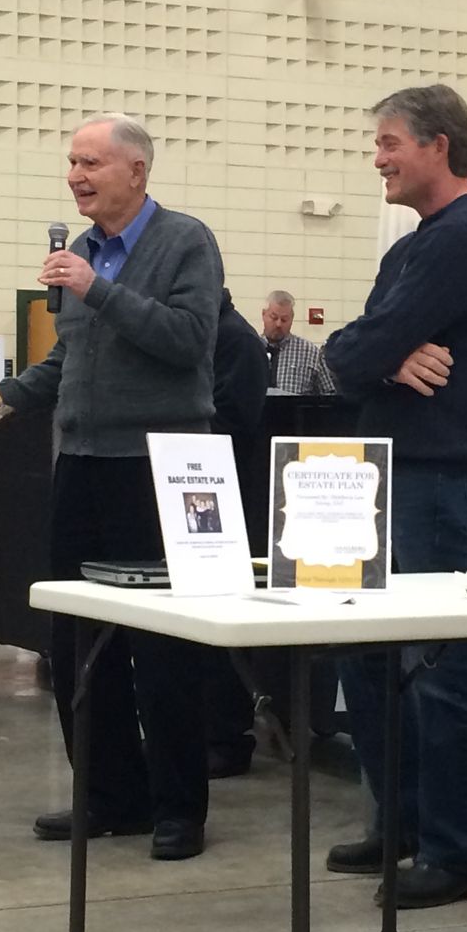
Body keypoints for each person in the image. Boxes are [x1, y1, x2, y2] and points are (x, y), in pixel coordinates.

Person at [0, 114, 222, 861]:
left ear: (136, 170)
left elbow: (186, 341)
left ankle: (179, 809)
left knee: (163, 645)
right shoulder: (81, 253)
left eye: (91, 163)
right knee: (75, 642)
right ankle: (111, 797)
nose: (76, 175)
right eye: (72, 163)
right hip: (82, 462)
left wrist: (97, 290)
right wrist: (5, 392)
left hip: (158, 467)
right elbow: (71, 362)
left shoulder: (184, 242)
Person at [321, 83, 467, 910]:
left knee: (439, 663)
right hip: (392, 473)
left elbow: (360, 345)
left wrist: (378, 351)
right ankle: (402, 822)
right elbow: (347, 349)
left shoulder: (465, 239)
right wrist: (390, 354)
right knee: (368, 659)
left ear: (439, 146)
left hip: (438, 479)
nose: (379, 158)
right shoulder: (415, 247)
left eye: (391, 142)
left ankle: (456, 850)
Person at [205, 285, 269, 778]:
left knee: (223, 620)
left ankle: (230, 736)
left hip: (227, 499)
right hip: (198, 493)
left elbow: (236, 421)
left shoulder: (237, 341)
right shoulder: (205, 334)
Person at [260, 289, 336, 394]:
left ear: (292, 319)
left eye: (284, 320)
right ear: (264, 315)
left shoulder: (310, 353)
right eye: (274, 317)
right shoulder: (250, 349)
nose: (278, 324)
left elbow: (329, 394)